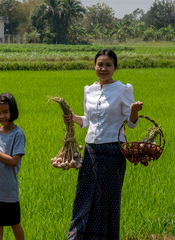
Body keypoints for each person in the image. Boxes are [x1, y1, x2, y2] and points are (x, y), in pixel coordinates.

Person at [63, 49, 143, 240]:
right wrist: (73, 118)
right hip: (91, 151)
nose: (103, 68)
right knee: (84, 196)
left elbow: (131, 124)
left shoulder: (123, 89)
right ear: (94, 66)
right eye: (100, 64)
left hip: (113, 153)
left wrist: (133, 111)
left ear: (115, 67)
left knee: (107, 200)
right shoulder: (88, 90)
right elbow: (88, 120)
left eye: (108, 65)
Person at [0, 93, 26, 240]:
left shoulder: (18, 134)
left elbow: (14, 161)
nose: (2, 116)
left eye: (5, 112)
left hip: (7, 190)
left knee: (14, 223)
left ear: (13, 111)